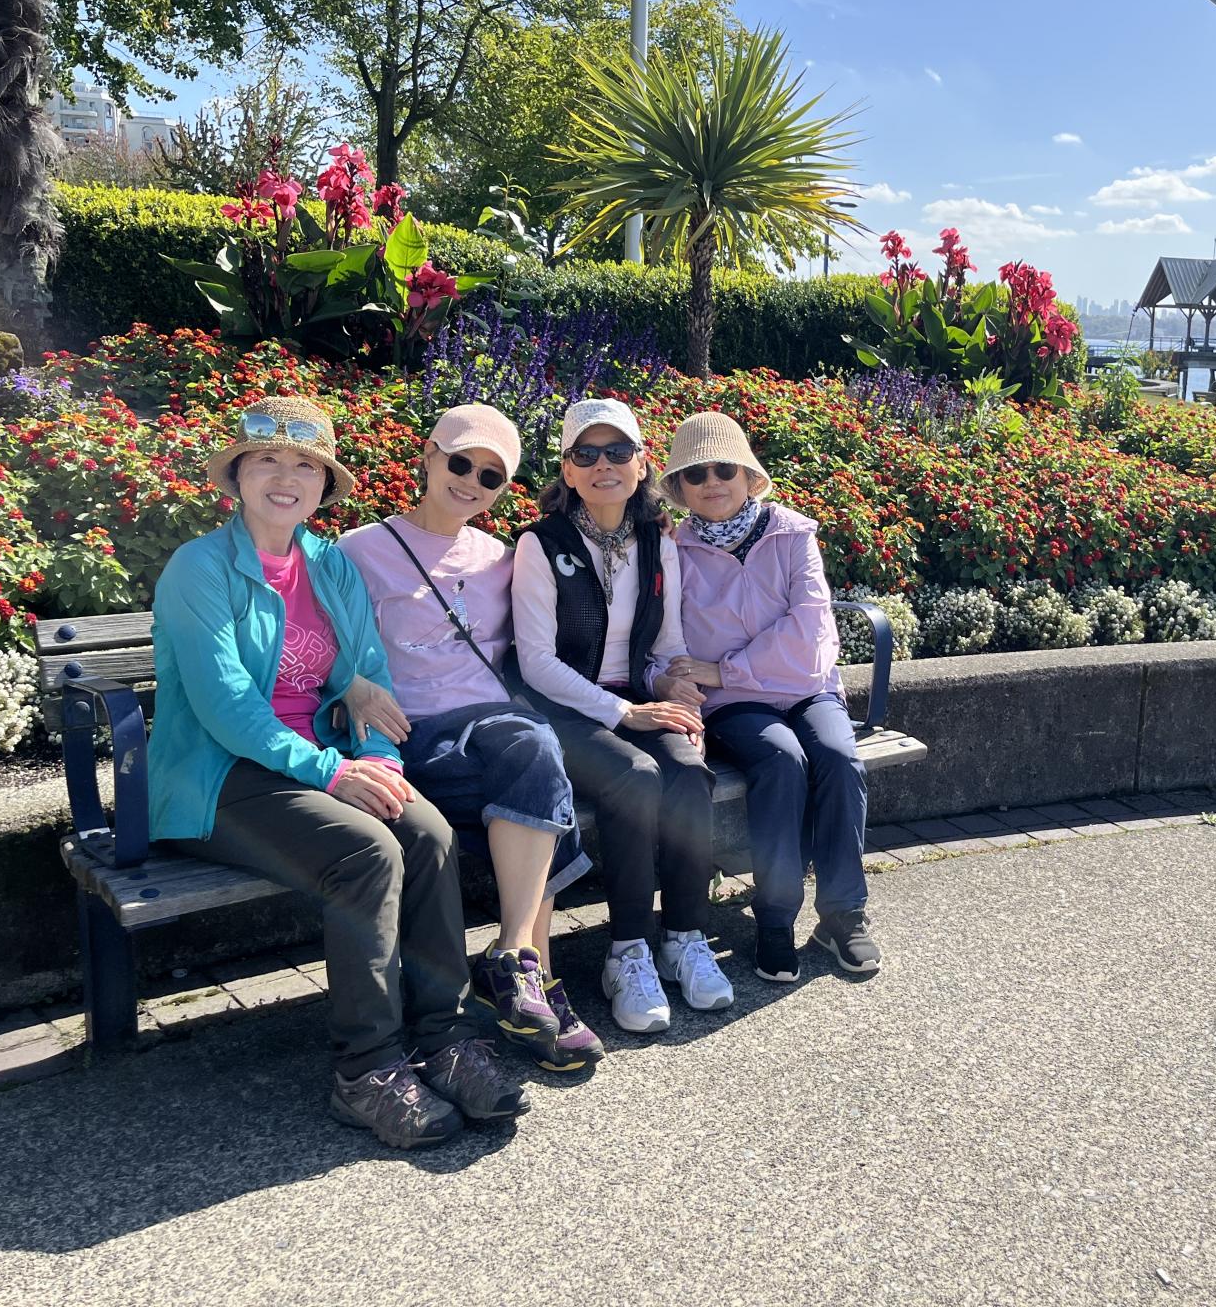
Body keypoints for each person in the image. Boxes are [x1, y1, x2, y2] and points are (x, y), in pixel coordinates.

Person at [150, 396, 529, 1150]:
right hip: (218, 779)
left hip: (319, 765)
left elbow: (371, 682)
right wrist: (331, 773)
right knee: (367, 852)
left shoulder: (329, 565)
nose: (285, 478)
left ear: (324, 484)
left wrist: (380, 765)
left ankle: (443, 1039)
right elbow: (226, 707)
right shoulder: (199, 568)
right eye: (267, 461)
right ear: (237, 476)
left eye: (305, 465)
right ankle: (367, 1069)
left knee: (426, 831)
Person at [339, 404, 604, 1073]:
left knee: (535, 754)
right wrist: (349, 683)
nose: (471, 482)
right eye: (460, 462)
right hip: (411, 735)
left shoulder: (501, 558)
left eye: (491, 476)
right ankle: (534, 976)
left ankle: (516, 961)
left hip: (491, 731)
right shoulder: (359, 550)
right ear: (428, 456)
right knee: (542, 780)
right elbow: (320, 644)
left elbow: (545, 644)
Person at [508, 398, 728, 1034]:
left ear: (641, 463)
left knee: (686, 768)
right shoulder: (539, 544)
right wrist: (623, 710)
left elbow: (666, 646)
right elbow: (536, 662)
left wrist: (674, 690)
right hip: (560, 710)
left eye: (618, 451)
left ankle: (684, 937)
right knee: (635, 775)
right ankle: (627, 951)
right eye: (586, 454)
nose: (603, 465)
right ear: (568, 471)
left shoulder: (660, 543)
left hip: (634, 698)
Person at [661, 413, 881, 982]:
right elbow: (666, 641)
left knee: (839, 757)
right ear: (680, 486)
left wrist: (724, 667)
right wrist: (691, 684)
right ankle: (776, 919)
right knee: (782, 760)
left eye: (725, 469)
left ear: (748, 475)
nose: (712, 482)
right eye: (695, 474)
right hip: (733, 704)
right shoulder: (672, 548)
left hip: (805, 687)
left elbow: (809, 634)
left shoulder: (793, 534)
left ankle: (843, 915)